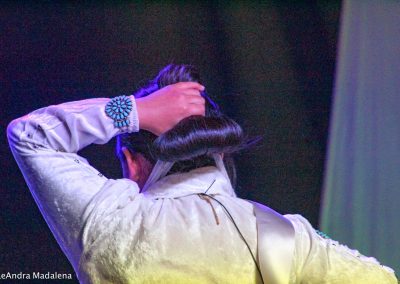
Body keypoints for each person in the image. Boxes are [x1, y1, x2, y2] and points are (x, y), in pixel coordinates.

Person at [8, 64, 397, 284]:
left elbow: (29, 135)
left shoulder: (111, 220)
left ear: (130, 162)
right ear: (220, 150)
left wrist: (138, 111)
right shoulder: (287, 235)